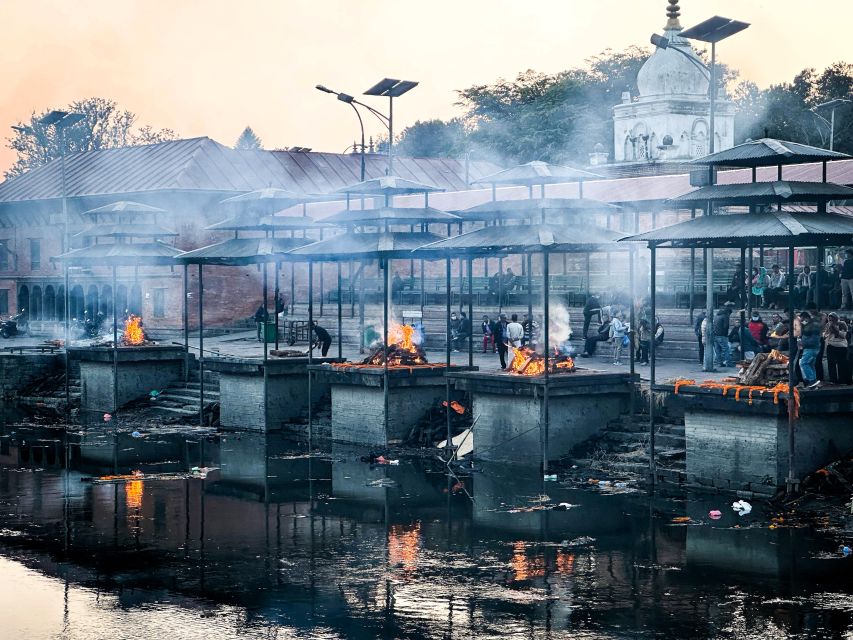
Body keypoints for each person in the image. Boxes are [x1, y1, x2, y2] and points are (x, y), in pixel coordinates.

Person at [823, 312, 851, 384]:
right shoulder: (828, 325)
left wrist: (834, 329)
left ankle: (842, 380)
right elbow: (825, 335)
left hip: (841, 346)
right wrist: (827, 331)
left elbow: (843, 335)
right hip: (831, 345)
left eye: (832, 319)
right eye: (829, 319)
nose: (831, 321)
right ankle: (833, 379)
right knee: (831, 363)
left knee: (841, 363)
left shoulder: (842, 324)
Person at [798, 311, 821, 387]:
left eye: (802, 319)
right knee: (811, 364)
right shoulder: (808, 325)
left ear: (806, 318)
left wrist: (803, 343)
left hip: (811, 348)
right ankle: (814, 383)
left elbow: (815, 339)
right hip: (809, 348)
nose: (801, 321)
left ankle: (811, 380)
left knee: (803, 363)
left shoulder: (814, 326)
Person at [712, 303, 735, 367]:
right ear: (728, 312)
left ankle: (719, 363)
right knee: (726, 349)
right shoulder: (725, 316)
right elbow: (726, 326)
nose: (729, 315)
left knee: (717, 350)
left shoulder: (717, 315)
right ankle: (729, 363)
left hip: (715, 335)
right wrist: (726, 335)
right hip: (722, 336)